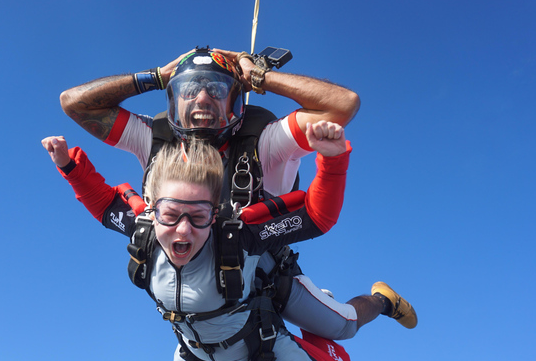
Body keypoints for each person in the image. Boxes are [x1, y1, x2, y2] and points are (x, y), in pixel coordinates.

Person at [59, 47, 417, 345]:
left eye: (216, 89)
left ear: (237, 100)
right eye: (189, 88)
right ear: (173, 97)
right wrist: (154, 76)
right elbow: (73, 103)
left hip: (265, 267)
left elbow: (343, 105)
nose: (202, 98)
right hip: (194, 278)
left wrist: (259, 77)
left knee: (343, 327)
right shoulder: (154, 136)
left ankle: (382, 301)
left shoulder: (265, 141)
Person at [42, 122, 362, 361]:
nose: (183, 230)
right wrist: (68, 166)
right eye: (170, 215)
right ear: (152, 211)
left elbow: (316, 217)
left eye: (198, 217)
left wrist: (333, 161)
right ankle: (212, 359)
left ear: (214, 215)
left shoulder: (240, 237)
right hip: (196, 347)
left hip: (259, 344)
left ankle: (383, 301)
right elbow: (104, 204)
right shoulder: (144, 230)